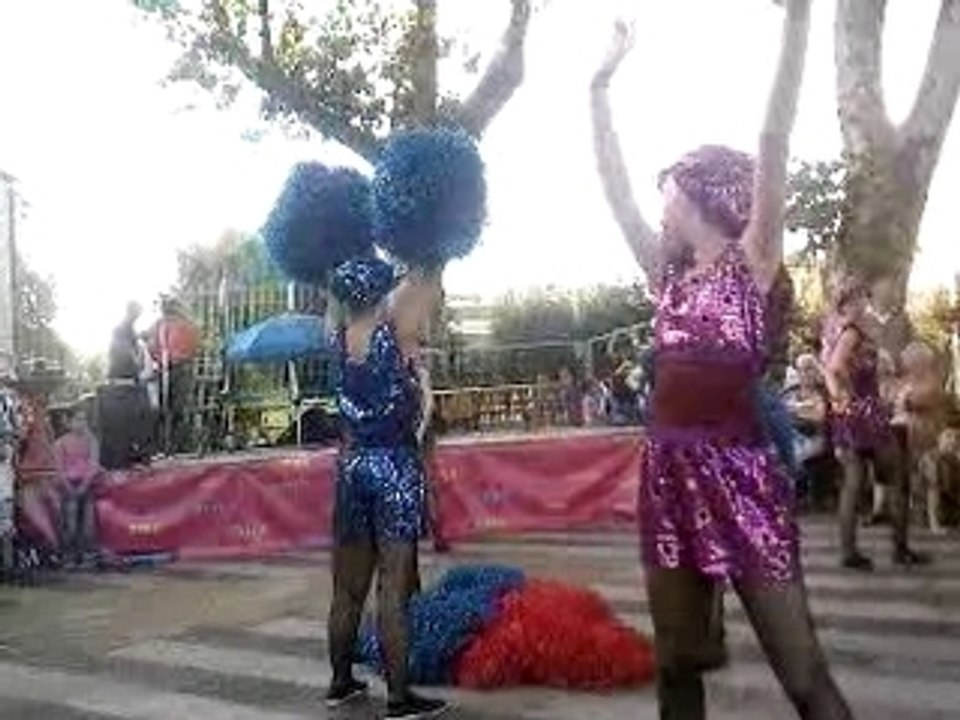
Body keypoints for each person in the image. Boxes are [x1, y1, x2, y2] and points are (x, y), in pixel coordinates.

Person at [591, 3, 854, 718]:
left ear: (699, 194)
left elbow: (774, 137)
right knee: (676, 665)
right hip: (668, 477)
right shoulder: (667, 278)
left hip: (740, 479)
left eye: (669, 190)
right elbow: (615, 190)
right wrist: (600, 89)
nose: (659, 202)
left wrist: (798, 21)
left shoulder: (753, 264)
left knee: (803, 674)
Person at [325, 258, 448, 719]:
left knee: (346, 589)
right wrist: (428, 256)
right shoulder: (393, 337)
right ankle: (399, 697)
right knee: (393, 588)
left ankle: (340, 681)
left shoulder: (337, 341)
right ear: (380, 297)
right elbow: (427, 285)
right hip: (393, 465)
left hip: (352, 467)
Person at [822, 281, 928, 570]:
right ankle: (900, 548)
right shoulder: (853, 332)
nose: (864, 304)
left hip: (852, 414)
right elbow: (834, 368)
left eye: (864, 299)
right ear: (847, 304)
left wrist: (841, 401)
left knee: (854, 482)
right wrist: (846, 396)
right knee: (896, 477)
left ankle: (850, 551)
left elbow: (836, 369)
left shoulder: (840, 330)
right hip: (865, 413)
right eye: (859, 299)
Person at [147, 297, 201, 455]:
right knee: (171, 408)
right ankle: (168, 445)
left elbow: (193, 346)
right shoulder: (162, 325)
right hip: (172, 367)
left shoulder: (173, 325)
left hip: (174, 367)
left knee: (173, 408)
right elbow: (153, 346)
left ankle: (172, 445)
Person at [54, 406, 100, 568]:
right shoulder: (60, 443)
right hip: (68, 486)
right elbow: (58, 469)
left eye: (84, 420)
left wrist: (84, 484)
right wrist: (68, 487)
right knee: (70, 524)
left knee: (88, 525)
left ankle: (87, 557)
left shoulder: (92, 440)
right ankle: (68, 558)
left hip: (87, 485)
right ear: (69, 422)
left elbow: (93, 464)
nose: (81, 423)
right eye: (78, 419)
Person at [107, 302, 143, 381]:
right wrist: (136, 363)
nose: (137, 318)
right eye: (136, 314)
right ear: (130, 312)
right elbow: (123, 349)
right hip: (122, 373)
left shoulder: (130, 329)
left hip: (125, 372)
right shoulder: (122, 328)